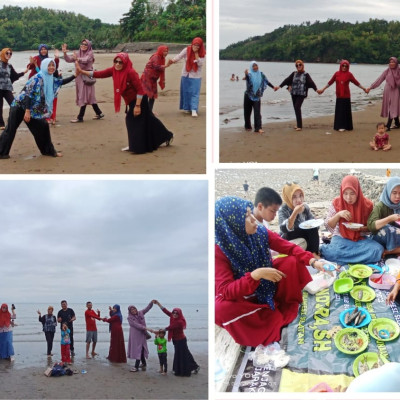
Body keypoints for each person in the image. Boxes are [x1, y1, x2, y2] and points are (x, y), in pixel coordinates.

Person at [215, 195, 327, 347]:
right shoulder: (219, 250)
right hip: (244, 296)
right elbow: (225, 291)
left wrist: (313, 261)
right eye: (247, 217)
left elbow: (289, 247)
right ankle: (265, 322)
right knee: (220, 309)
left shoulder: (260, 232)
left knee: (291, 262)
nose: (255, 219)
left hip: (266, 283)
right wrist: (255, 275)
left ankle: (277, 306)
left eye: (251, 213)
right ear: (232, 223)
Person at [77, 52, 173, 154]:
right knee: (150, 120)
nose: (118, 64)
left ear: (125, 62)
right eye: (116, 61)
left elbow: (140, 90)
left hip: (139, 100)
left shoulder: (131, 72)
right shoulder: (113, 70)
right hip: (130, 101)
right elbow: (99, 74)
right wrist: (82, 71)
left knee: (131, 120)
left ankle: (136, 146)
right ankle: (167, 136)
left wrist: (137, 106)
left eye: (120, 62)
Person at [0, 58, 76, 159]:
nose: (51, 67)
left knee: (43, 126)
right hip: (19, 106)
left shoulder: (49, 78)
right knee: (10, 129)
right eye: (49, 65)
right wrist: (27, 111)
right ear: (44, 66)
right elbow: (28, 94)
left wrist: (75, 75)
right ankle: (1, 153)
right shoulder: (38, 78)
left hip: (33, 109)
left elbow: (61, 82)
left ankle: (48, 151)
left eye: (53, 65)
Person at [320, 175, 384, 265]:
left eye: (352, 193)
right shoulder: (337, 202)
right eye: (345, 193)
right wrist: (338, 215)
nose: (348, 198)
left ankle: (343, 259)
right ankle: (356, 259)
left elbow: (371, 228)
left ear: (357, 191)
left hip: (360, 239)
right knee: (335, 251)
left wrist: (361, 229)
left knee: (377, 250)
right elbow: (328, 225)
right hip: (341, 238)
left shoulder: (367, 205)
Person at [153, 300, 200, 377]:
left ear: (179, 314)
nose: (174, 314)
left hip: (181, 340)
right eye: (173, 313)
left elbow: (169, 327)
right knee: (186, 354)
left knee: (181, 355)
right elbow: (165, 311)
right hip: (176, 340)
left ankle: (181, 369)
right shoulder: (172, 316)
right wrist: (158, 304)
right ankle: (195, 367)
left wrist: (158, 331)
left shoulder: (180, 322)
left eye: (176, 313)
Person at [317, 60, 367, 131]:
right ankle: (339, 126)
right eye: (343, 65)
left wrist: (364, 88)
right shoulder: (337, 73)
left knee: (345, 111)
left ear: (348, 67)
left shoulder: (349, 74)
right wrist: (323, 89)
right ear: (340, 66)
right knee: (339, 111)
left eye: (346, 66)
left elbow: (356, 82)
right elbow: (330, 82)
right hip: (339, 95)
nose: (344, 67)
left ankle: (346, 126)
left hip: (346, 95)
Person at [62, 39, 104, 122]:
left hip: (87, 77)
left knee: (85, 96)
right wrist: (64, 53)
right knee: (89, 96)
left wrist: (77, 59)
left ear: (89, 46)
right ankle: (99, 113)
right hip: (79, 77)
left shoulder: (90, 53)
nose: (83, 45)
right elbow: (68, 59)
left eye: (86, 44)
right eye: (82, 44)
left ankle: (80, 117)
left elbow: (86, 60)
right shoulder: (78, 53)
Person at [275, 60, 319, 131]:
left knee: (297, 107)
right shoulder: (294, 73)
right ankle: (299, 124)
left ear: (302, 65)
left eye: (300, 65)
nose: (298, 66)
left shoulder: (306, 74)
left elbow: (311, 82)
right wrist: (279, 87)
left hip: (301, 94)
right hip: (294, 93)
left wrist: (316, 90)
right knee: (296, 108)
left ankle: (300, 126)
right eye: (297, 65)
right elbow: (287, 80)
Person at [278, 182, 320, 254]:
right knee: (298, 231)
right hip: (289, 238)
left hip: (304, 237)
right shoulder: (283, 209)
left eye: (300, 196)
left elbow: (315, 227)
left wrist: (315, 221)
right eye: (294, 197)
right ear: (288, 197)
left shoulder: (305, 208)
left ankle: (313, 253)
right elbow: (284, 229)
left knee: (312, 228)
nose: (299, 200)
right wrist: (295, 213)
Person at [170, 37, 205, 117]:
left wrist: (196, 53)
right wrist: (172, 61)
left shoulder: (202, 53)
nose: (196, 47)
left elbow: (200, 64)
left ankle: (194, 109)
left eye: (198, 45)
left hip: (196, 76)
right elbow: (179, 56)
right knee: (185, 92)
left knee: (194, 93)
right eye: (195, 45)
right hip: (186, 74)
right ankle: (186, 108)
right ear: (192, 44)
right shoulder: (186, 50)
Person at [27, 44, 60, 125]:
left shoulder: (49, 59)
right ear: (39, 51)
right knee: (35, 99)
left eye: (45, 49)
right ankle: (33, 114)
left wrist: (57, 58)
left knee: (47, 98)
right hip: (35, 81)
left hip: (47, 82)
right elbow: (29, 67)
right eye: (42, 49)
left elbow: (54, 68)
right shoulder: (36, 58)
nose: (43, 51)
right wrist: (31, 63)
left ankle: (48, 116)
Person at [367, 176, 400, 256]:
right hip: (380, 238)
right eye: (394, 193)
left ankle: (388, 252)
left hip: (396, 238)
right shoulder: (380, 206)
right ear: (388, 192)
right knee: (388, 229)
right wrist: (389, 218)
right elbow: (371, 225)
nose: (398, 196)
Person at [366, 57, 400, 131]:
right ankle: (397, 123)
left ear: (396, 63)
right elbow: (379, 80)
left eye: (393, 62)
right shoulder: (387, 71)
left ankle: (388, 126)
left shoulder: (399, 71)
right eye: (390, 62)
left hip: (396, 91)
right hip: (387, 90)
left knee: (393, 107)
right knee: (392, 106)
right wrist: (371, 87)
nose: (391, 63)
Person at [243, 61, 276, 133]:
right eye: (253, 66)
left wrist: (273, 87)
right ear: (251, 67)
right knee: (247, 112)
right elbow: (247, 78)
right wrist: (245, 74)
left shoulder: (261, 74)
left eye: (256, 66)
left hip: (257, 96)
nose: (255, 67)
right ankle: (248, 126)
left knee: (257, 112)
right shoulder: (249, 74)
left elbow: (267, 81)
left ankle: (258, 128)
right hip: (248, 95)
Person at [0, 48, 28, 130]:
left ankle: (12, 120)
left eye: (10, 53)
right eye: (7, 53)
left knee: (14, 104)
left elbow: (14, 76)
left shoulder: (9, 66)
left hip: (7, 88)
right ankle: (1, 124)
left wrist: (24, 72)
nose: (9, 55)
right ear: (2, 54)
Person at [141, 45, 171, 112]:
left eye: (167, 51)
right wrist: (166, 66)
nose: (166, 53)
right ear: (160, 51)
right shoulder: (156, 56)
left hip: (153, 79)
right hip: (147, 78)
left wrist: (163, 79)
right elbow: (156, 66)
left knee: (152, 96)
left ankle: (149, 111)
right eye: (164, 51)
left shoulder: (162, 58)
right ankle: (144, 110)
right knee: (146, 94)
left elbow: (159, 68)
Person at [127, 301, 154, 372]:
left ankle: (140, 365)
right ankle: (139, 365)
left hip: (142, 334)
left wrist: (151, 302)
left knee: (141, 348)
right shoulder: (129, 318)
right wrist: (146, 328)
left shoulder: (141, 313)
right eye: (131, 310)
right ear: (130, 311)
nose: (133, 310)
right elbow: (136, 325)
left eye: (134, 309)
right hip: (135, 335)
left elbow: (147, 308)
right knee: (138, 349)